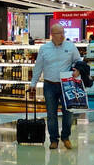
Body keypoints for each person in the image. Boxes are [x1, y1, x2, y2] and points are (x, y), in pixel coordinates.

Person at [29, 22, 82, 150]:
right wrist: (33, 83)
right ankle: (54, 140)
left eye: (63, 33)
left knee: (68, 113)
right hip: (49, 85)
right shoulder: (44, 49)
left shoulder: (70, 46)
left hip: (67, 85)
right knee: (51, 114)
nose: (62, 36)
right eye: (59, 33)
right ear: (52, 35)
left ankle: (66, 137)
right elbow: (38, 67)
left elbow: (78, 61)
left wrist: (78, 70)